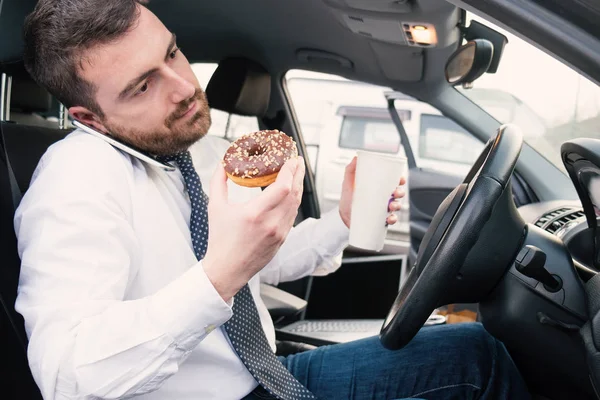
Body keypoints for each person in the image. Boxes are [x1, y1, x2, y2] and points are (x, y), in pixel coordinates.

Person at [14, 1, 530, 399]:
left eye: (171, 53)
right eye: (143, 85)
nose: (183, 88)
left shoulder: (199, 149)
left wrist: (342, 221)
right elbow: (66, 375)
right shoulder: (75, 179)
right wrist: (218, 278)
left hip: (264, 368)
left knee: (470, 352)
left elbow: (260, 258)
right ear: (90, 119)